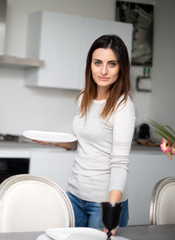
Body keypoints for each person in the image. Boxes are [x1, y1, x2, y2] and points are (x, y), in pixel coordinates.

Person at [33, 35, 135, 235]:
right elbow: (85, 144)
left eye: (111, 64)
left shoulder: (123, 106)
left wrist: (112, 211)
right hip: (74, 195)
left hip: (104, 202)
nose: (103, 71)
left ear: (121, 67)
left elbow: (120, 162)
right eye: (98, 63)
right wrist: (60, 143)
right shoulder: (83, 98)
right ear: (90, 65)